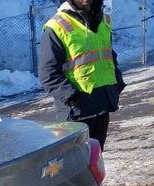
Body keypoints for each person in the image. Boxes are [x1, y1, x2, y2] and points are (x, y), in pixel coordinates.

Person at [38, 0, 125, 150]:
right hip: (76, 113)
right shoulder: (57, 26)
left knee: (94, 161)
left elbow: (108, 54)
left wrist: (117, 84)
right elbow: (48, 74)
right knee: (75, 164)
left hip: (101, 105)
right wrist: (73, 98)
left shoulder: (102, 20)